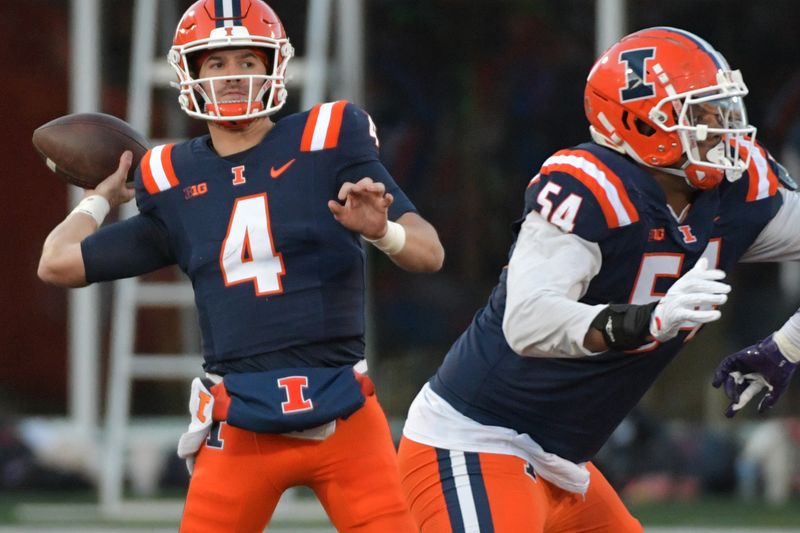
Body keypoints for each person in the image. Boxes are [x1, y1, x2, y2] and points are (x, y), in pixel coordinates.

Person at [37, 1, 443, 531]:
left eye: (247, 63)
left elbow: (428, 251)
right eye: (217, 63)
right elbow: (57, 263)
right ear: (192, 73)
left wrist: (382, 231)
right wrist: (99, 199)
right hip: (243, 420)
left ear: (274, 66)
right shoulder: (173, 176)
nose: (233, 78)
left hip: (344, 411)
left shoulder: (326, 138)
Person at [396, 26, 800, 532]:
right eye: (701, 113)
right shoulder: (591, 188)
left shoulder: (739, 188)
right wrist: (645, 321)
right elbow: (528, 321)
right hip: (476, 439)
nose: (723, 128)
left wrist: (788, 343)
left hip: (566, 463)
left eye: (722, 109)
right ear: (643, 125)